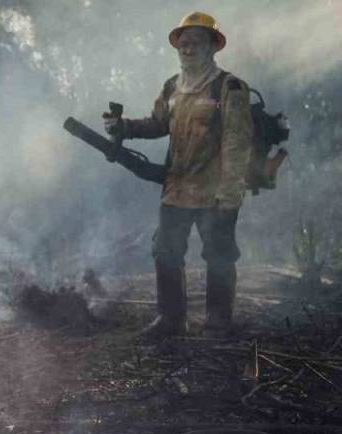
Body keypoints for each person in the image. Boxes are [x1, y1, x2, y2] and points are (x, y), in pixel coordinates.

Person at [105, 11, 253, 337]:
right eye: (183, 44)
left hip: (215, 190)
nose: (187, 49)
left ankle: (218, 321)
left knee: (219, 254)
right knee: (165, 250)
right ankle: (171, 320)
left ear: (212, 46)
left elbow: (236, 144)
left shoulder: (228, 88)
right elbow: (159, 124)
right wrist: (124, 127)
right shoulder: (172, 87)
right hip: (176, 188)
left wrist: (230, 191)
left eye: (195, 43)